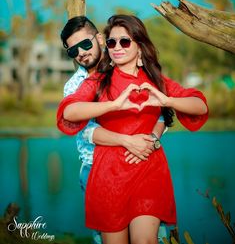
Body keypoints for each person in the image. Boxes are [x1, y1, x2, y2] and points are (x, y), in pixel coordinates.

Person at [57, 14, 208, 244]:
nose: (116, 47)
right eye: (112, 42)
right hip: (109, 173)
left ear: (139, 46)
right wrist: (113, 105)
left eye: (124, 42)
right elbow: (68, 113)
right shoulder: (97, 81)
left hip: (148, 168)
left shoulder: (155, 80)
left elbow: (199, 106)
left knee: (147, 241)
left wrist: (167, 101)